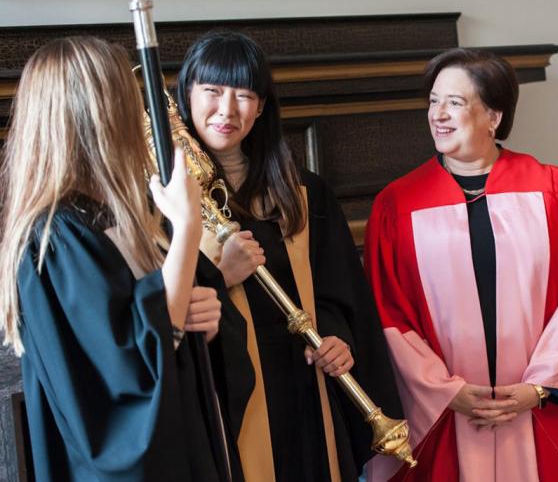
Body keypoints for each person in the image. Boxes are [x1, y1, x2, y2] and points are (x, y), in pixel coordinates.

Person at [363, 47, 558, 482]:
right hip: (442, 416)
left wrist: (540, 387)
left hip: (541, 410)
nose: (438, 113)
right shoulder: (398, 204)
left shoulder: (552, 190)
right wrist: (446, 391)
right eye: (433, 101)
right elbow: (388, 312)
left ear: (494, 116)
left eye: (454, 102)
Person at [176, 31, 404, 482]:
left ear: (261, 107)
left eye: (244, 95)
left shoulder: (303, 192)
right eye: (212, 91)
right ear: (187, 95)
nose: (227, 110)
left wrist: (338, 339)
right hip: (224, 393)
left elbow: (338, 290)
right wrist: (224, 274)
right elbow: (157, 313)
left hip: (303, 391)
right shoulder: (166, 201)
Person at [0, 37, 224, 481]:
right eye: (128, 100)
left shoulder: (123, 212)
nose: (139, 115)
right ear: (96, 116)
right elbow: (130, 375)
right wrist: (187, 232)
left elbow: (168, 331)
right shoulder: (56, 237)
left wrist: (200, 320)